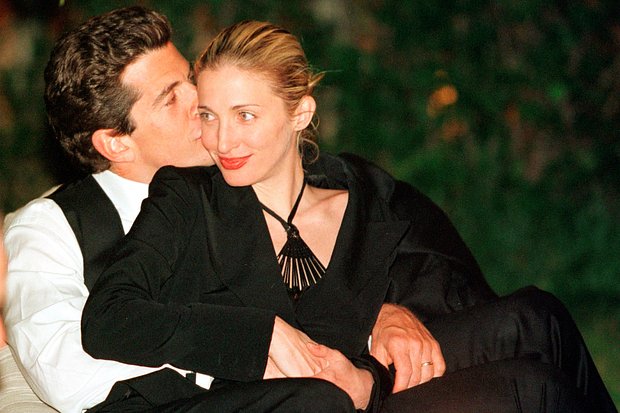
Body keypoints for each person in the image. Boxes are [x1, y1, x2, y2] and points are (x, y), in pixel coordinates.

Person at [81, 20, 616, 412]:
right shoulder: (189, 198)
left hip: (368, 380)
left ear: (301, 112)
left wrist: (386, 314)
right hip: (300, 403)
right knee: (533, 390)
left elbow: (436, 278)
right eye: (209, 115)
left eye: (245, 115)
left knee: (537, 318)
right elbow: (109, 318)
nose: (222, 140)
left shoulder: (357, 194)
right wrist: (260, 334)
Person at [2, 7, 476, 412]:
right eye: (172, 98)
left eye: (190, 80)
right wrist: (241, 347)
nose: (201, 101)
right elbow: (64, 371)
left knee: (508, 334)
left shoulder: (249, 173)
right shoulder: (49, 226)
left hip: (326, 388)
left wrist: (381, 312)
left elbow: (373, 253)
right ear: (116, 143)